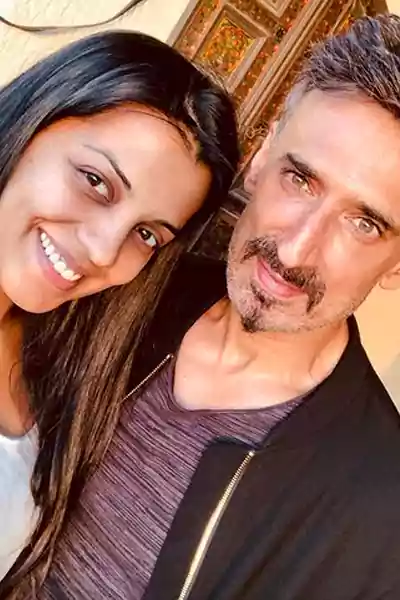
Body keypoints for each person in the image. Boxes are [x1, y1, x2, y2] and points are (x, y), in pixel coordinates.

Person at [29, 12, 400, 600]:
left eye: (364, 223)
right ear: (261, 156)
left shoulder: (378, 515)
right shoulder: (120, 282)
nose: (296, 250)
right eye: (300, 179)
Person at [0, 30, 239, 595]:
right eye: (95, 182)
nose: (106, 251)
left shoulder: (55, 376)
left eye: (146, 233)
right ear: (30, 122)